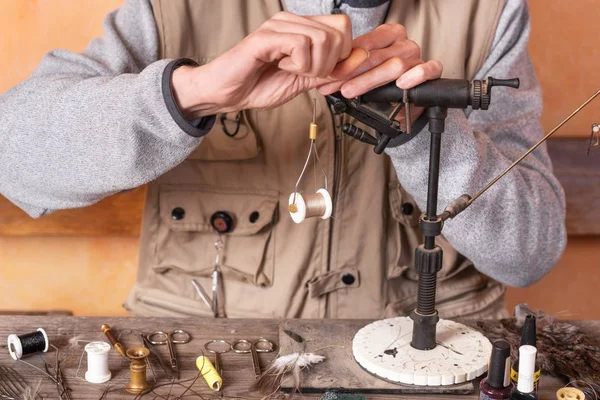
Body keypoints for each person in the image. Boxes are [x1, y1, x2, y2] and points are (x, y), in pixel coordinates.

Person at [0, 0, 566, 319]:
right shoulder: (174, 9)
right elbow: (13, 157)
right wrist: (189, 93)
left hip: (424, 362)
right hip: (210, 356)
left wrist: (425, 134)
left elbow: (531, 252)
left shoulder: (488, 14)